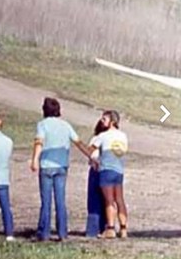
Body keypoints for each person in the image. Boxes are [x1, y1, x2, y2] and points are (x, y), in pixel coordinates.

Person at [31, 97, 79, 241]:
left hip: (46, 165)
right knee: (60, 201)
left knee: (46, 201)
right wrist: (91, 156)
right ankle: (62, 233)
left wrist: (35, 159)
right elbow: (78, 141)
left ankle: (44, 233)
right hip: (62, 166)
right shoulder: (65, 125)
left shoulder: (42, 124)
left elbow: (39, 142)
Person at [85, 110, 129, 239]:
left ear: (112, 121)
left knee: (109, 201)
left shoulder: (103, 136)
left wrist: (94, 159)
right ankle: (123, 228)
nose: (102, 121)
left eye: (104, 119)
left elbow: (90, 150)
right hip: (119, 170)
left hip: (106, 170)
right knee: (120, 200)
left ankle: (110, 228)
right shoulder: (123, 136)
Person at [84, 119, 109, 237]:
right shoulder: (111, 139)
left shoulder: (95, 139)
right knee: (107, 200)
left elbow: (91, 154)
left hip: (95, 170)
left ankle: (93, 229)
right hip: (107, 169)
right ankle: (105, 227)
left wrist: (94, 161)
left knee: (94, 200)